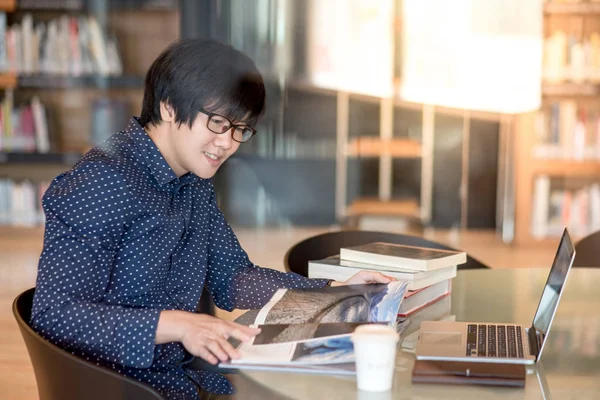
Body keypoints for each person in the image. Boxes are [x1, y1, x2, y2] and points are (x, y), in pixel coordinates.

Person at [30, 38, 394, 400]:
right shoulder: (102, 180)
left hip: (186, 374)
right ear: (169, 107)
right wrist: (176, 325)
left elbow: (233, 279)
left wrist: (337, 290)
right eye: (218, 122)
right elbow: (54, 315)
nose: (228, 143)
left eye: (240, 129)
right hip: (122, 385)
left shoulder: (193, 181)